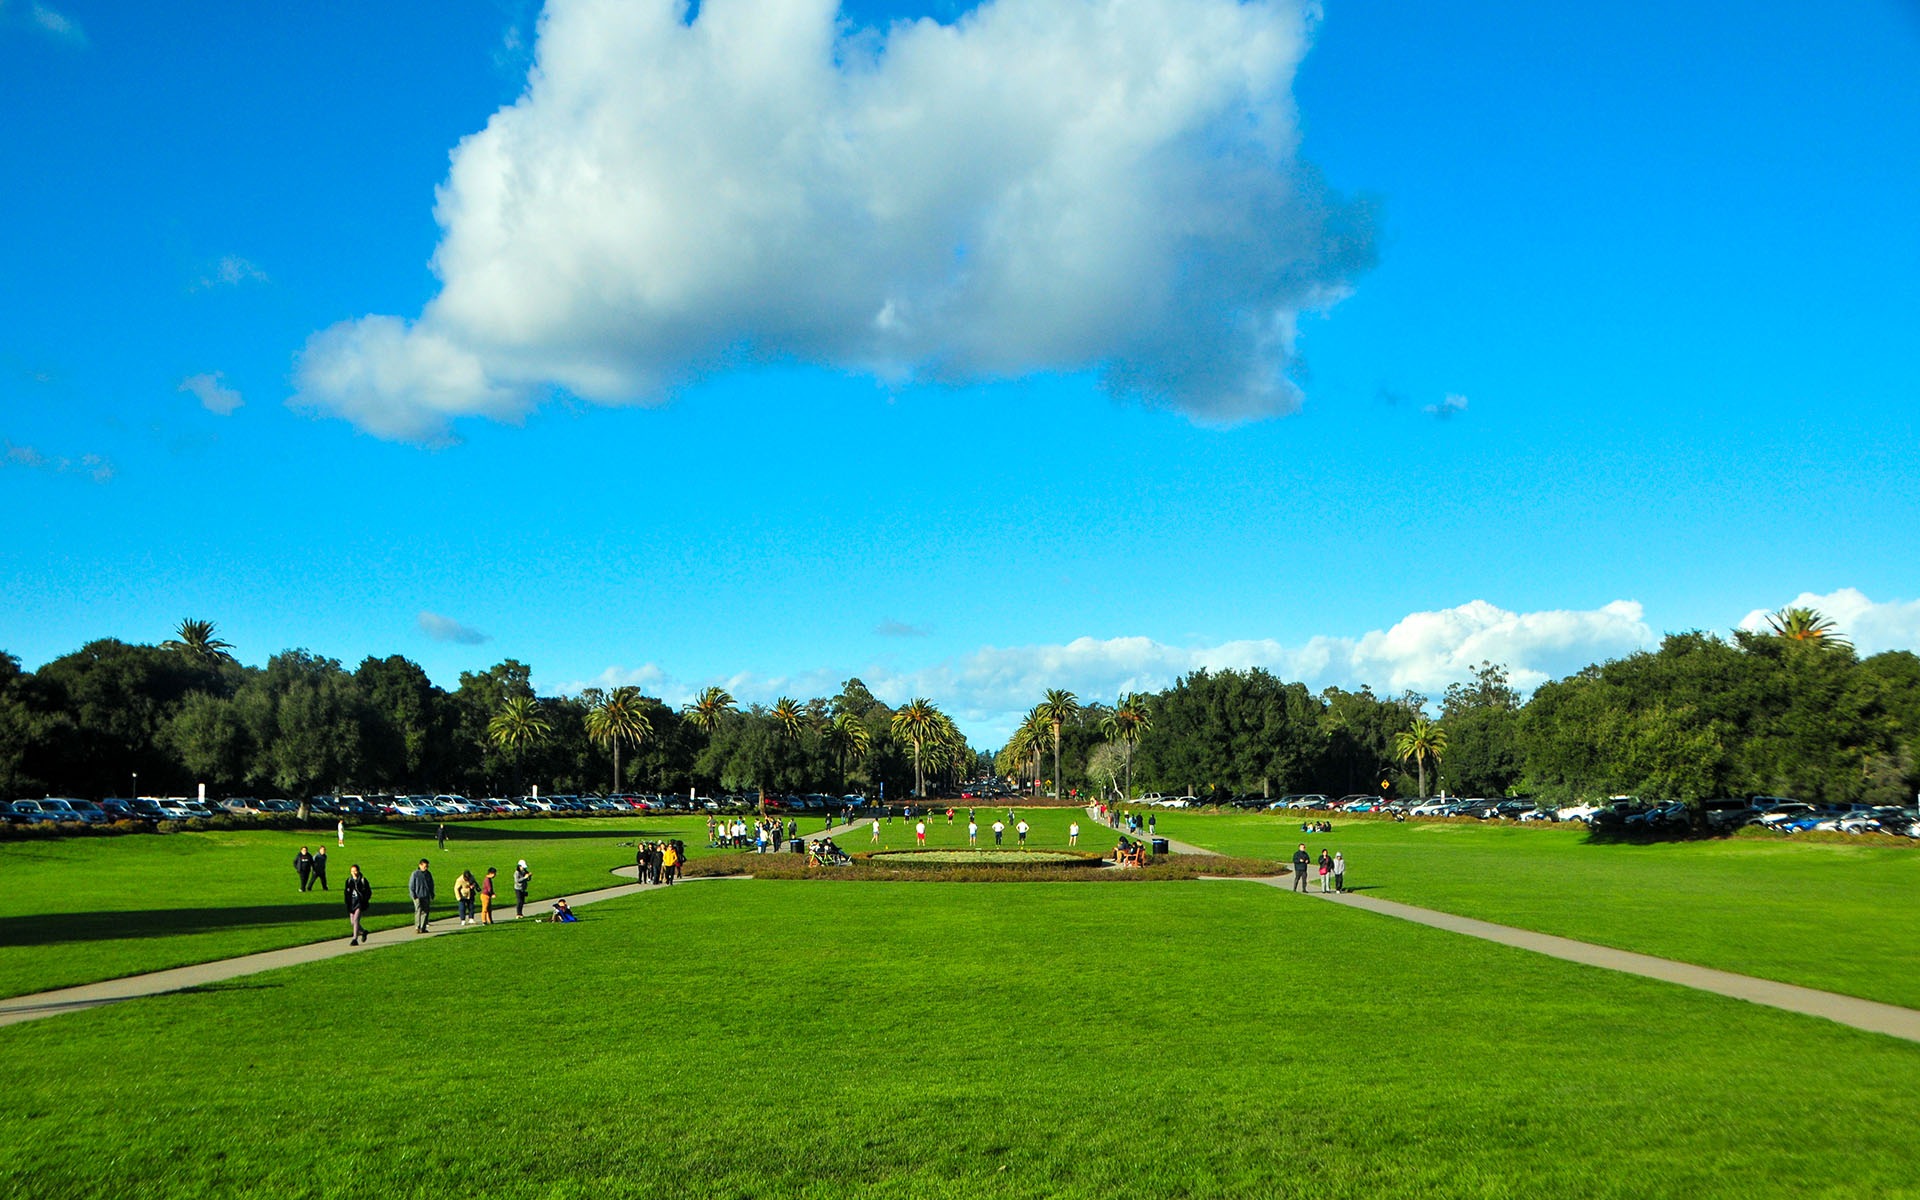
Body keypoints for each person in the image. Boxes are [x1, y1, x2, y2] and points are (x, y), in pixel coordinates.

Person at [344, 863, 372, 945]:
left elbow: (368, 892)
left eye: (355, 871)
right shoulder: (349, 881)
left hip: (359, 903)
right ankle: (363, 932)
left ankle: (354, 939)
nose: (354, 873)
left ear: (358, 871)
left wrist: (364, 900)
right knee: (352, 922)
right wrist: (347, 903)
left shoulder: (363, 880)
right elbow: (346, 893)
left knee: (356, 920)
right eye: (352, 871)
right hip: (351, 903)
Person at [409, 859, 435, 932]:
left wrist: (432, 893)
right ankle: (417, 927)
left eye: (427, 866)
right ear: (420, 865)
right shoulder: (415, 874)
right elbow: (411, 886)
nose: (426, 868)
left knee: (425, 912)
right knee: (418, 911)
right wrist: (413, 895)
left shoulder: (428, 874)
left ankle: (422, 928)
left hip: (426, 895)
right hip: (417, 896)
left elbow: (431, 885)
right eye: (425, 866)